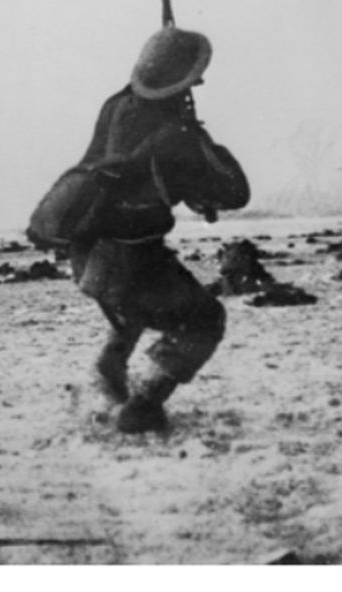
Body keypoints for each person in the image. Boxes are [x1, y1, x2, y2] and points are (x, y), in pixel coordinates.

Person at [28, 27, 250, 434]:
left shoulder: (115, 106)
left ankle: (107, 371)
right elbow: (232, 193)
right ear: (184, 79)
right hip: (132, 261)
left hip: (87, 255)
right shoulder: (178, 137)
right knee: (204, 321)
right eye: (196, 75)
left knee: (134, 311)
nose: (199, 81)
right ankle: (143, 405)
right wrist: (200, 139)